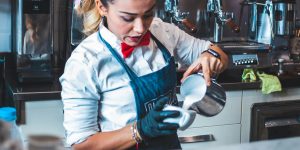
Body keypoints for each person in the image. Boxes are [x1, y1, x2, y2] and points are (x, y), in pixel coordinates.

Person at [60, 0, 228, 149]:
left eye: (148, 15)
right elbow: (82, 144)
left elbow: (218, 53)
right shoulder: (84, 63)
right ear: (102, 7)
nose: (140, 29)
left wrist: (212, 57)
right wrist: (140, 130)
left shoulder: (162, 32)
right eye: (128, 18)